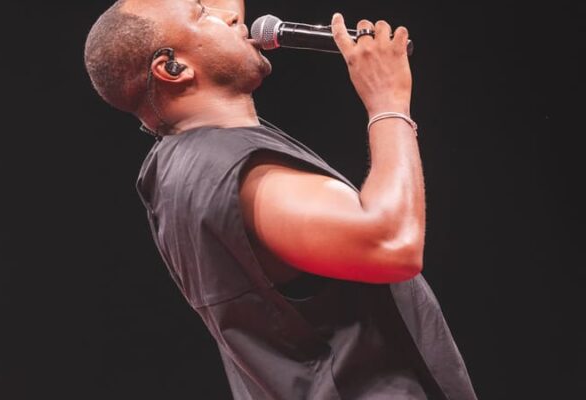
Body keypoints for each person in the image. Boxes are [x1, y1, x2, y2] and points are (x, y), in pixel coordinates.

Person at [84, 0, 477, 398]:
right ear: (173, 68)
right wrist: (387, 104)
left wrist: (197, 16)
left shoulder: (180, 164)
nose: (231, 15)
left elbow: (207, 17)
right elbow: (392, 244)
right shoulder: (227, 167)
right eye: (202, 15)